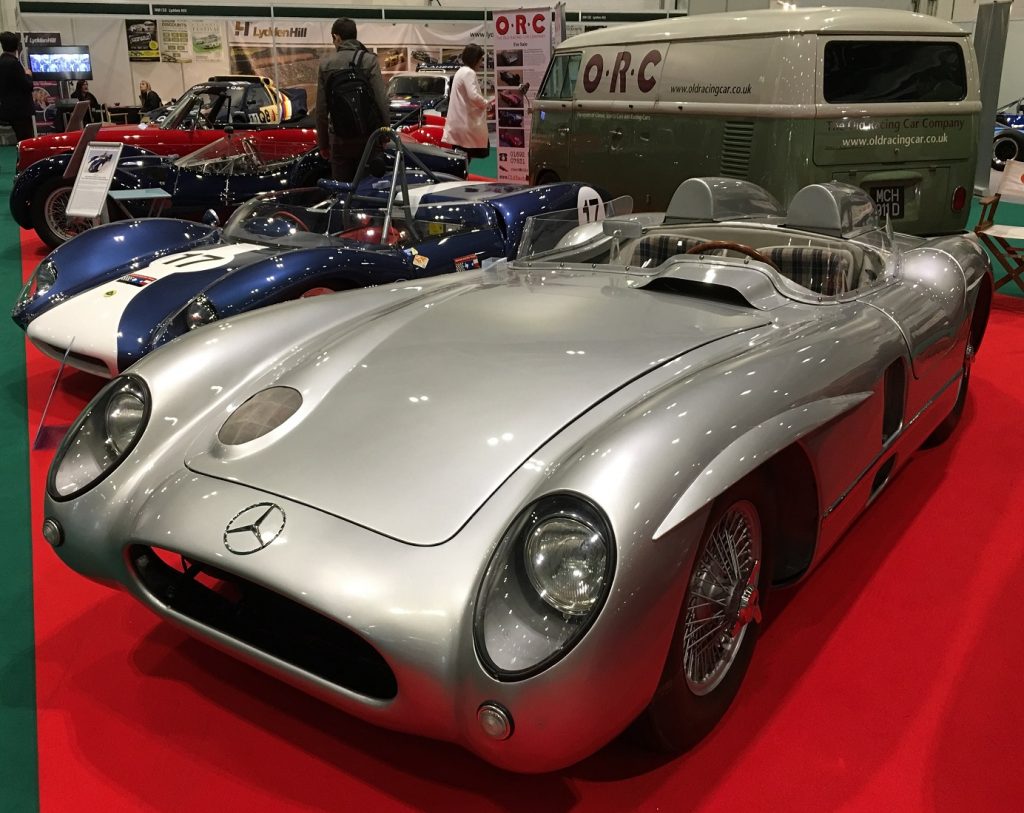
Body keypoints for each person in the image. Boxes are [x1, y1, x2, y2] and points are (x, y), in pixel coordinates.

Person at [315, 17, 389, 181]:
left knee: (342, 189)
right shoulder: (369, 60)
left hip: (339, 139)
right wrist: (385, 135)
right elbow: (381, 101)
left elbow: (321, 110)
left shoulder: (326, 65)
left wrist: (324, 144)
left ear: (337, 37)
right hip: (368, 137)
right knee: (368, 187)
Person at [442, 44, 492, 160]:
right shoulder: (469, 73)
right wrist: (486, 103)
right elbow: (473, 96)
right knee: (464, 158)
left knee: (461, 159)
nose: (481, 62)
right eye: (480, 59)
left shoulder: (461, 71)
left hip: (459, 125)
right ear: (475, 59)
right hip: (466, 126)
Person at [0, 32, 35, 142]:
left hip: (6, 108)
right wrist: (28, 75)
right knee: (26, 142)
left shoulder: (2, 62)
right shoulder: (14, 64)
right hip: (20, 112)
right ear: (16, 47)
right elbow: (28, 85)